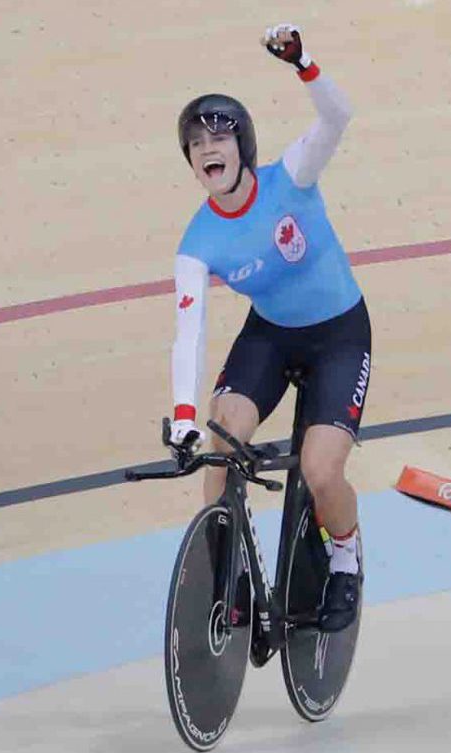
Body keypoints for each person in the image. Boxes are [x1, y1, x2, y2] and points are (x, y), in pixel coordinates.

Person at [166, 23, 369, 633]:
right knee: (219, 441)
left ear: (242, 145)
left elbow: (338, 116)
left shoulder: (292, 177)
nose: (207, 147)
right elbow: (190, 333)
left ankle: (345, 556)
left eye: (218, 134)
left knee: (321, 472)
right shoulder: (196, 242)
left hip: (339, 334)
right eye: (195, 141)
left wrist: (304, 62)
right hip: (271, 334)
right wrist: (181, 417)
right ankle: (228, 571)